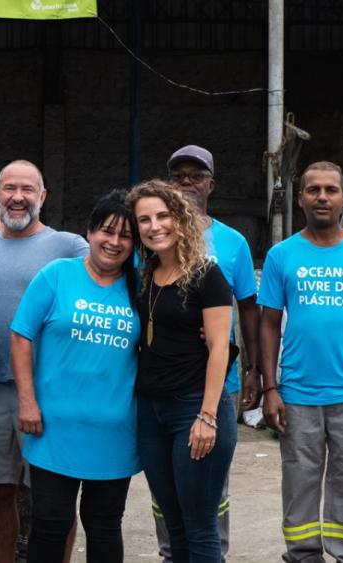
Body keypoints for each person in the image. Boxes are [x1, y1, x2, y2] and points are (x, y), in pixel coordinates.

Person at [258, 161, 343, 563]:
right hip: (298, 395)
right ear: (300, 198)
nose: (322, 196)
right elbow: (268, 326)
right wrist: (270, 388)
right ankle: (302, 556)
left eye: (330, 190)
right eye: (313, 189)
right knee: (299, 482)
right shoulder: (282, 255)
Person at [0, 160, 88, 563]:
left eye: (27, 190)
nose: (17, 198)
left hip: (51, 390)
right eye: (8, 189)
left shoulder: (69, 247)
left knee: (54, 495)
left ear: (43, 197)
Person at [11, 190, 141, 563]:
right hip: (53, 427)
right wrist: (27, 400)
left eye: (125, 235)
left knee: (104, 525)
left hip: (115, 431)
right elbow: (21, 336)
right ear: (89, 232)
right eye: (106, 231)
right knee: (50, 522)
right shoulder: (56, 275)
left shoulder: (141, 288)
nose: (114, 242)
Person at [153, 144, 260, 562]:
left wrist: (253, 370)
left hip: (219, 383)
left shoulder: (232, 243)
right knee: (166, 483)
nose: (186, 181)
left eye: (195, 175)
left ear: (211, 185)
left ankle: (214, 552)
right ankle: (171, 553)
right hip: (163, 382)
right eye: (177, 174)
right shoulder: (154, 236)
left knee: (213, 484)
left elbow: (248, 310)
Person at [128, 179, 236, 563]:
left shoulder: (207, 276)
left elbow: (220, 348)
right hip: (151, 414)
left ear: (181, 219)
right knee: (173, 527)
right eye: (144, 220)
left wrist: (207, 416)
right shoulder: (144, 278)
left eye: (162, 215)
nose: (154, 226)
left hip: (195, 409)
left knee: (200, 527)